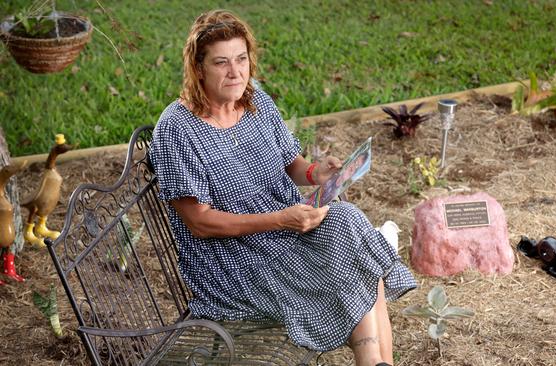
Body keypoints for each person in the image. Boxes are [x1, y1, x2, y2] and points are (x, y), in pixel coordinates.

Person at [149, 9, 416, 366]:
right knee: (353, 261)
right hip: (234, 260)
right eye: (221, 63)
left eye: (242, 59)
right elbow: (199, 222)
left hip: (285, 232)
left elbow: (291, 162)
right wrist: (280, 220)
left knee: (348, 223)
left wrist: (318, 174)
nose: (236, 72)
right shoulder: (176, 130)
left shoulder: (254, 98)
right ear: (198, 69)